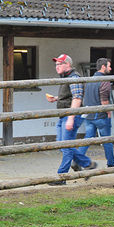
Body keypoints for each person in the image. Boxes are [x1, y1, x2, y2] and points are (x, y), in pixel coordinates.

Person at [45, 53, 96, 185]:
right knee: (62, 145)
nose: (57, 66)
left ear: (67, 64)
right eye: (56, 64)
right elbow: (70, 96)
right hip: (65, 114)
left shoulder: (74, 78)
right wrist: (57, 98)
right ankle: (87, 163)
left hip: (70, 115)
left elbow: (77, 98)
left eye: (59, 64)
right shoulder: (66, 77)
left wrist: (71, 118)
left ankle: (61, 177)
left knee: (66, 146)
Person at [78, 58, 114, 167]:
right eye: (109, 66)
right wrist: (108, 113)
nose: (110, 68)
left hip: (89, 115)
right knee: (107, 139)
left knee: (88, 138)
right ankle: (111, 162)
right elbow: (104, 101)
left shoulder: (90, 80)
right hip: (100, 116)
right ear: (103, 67)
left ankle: (77, 160)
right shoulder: (104, 81)